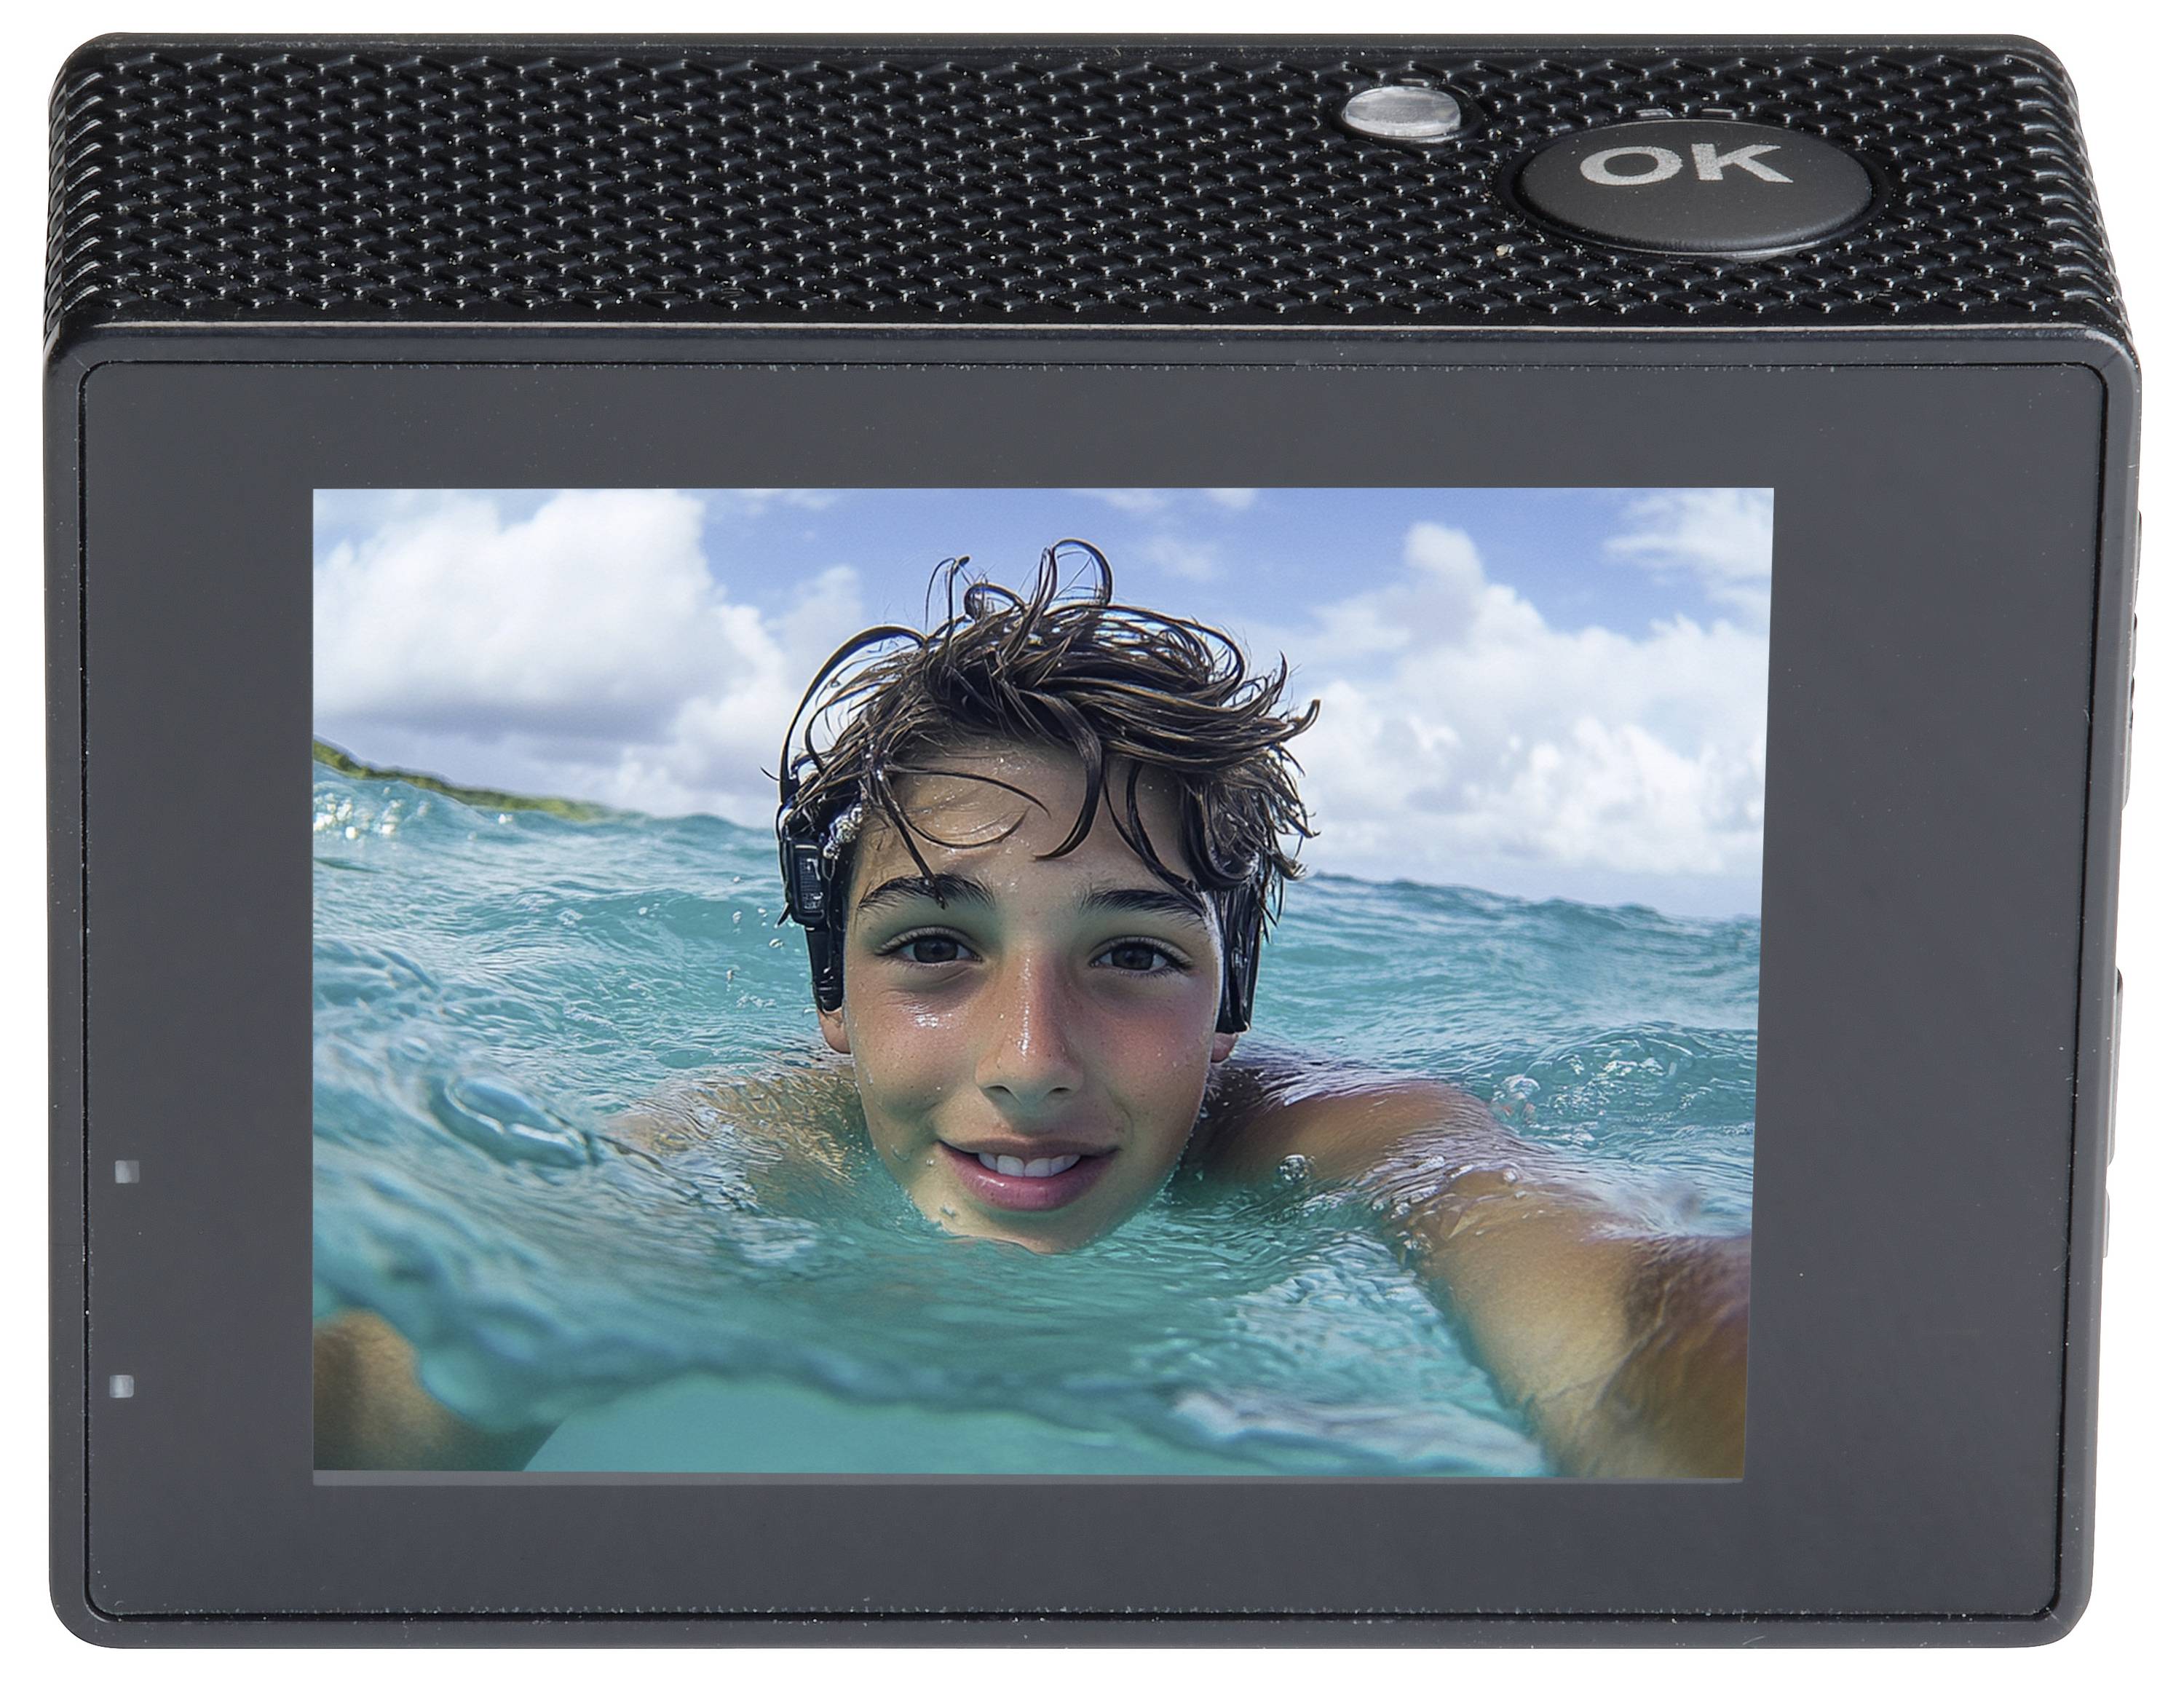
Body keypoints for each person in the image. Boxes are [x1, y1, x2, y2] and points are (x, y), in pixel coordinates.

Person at [315, 543, 1749, 1477]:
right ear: (832, 1001)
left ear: (1229, 1011)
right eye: (937, 946)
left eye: (1131, 957)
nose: (1030, 1061)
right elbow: (401, 1390)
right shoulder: (745, 1155)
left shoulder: (1346, 1139)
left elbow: (1626, 1333)